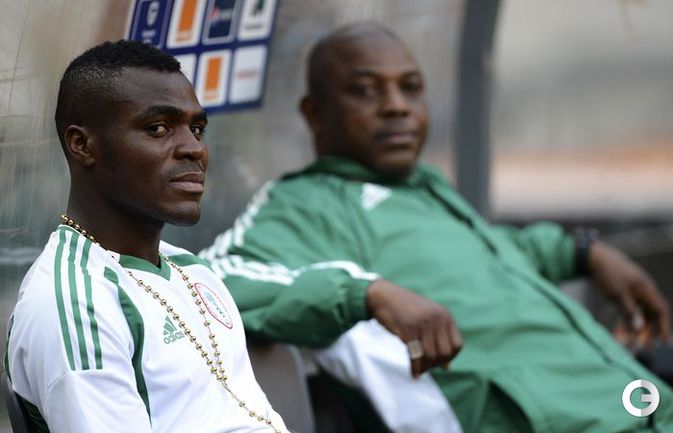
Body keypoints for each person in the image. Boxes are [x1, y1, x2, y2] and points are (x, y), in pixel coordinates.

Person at [200, 22, 673, 433]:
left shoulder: (420, 186)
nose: (396, 106)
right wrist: (368, 293)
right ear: (315, 115)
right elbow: (213, 281)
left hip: (634, 403)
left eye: (411, 88)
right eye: (365, 90)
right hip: (550, 419)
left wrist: (583, 251)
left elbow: (482, 261)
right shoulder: (304, 203)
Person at [5, 40, 288, 433]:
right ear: (82, 144)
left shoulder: (192, 271)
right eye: (158, 128)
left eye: (196, 129)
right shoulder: (75, 302)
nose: (194, 149)